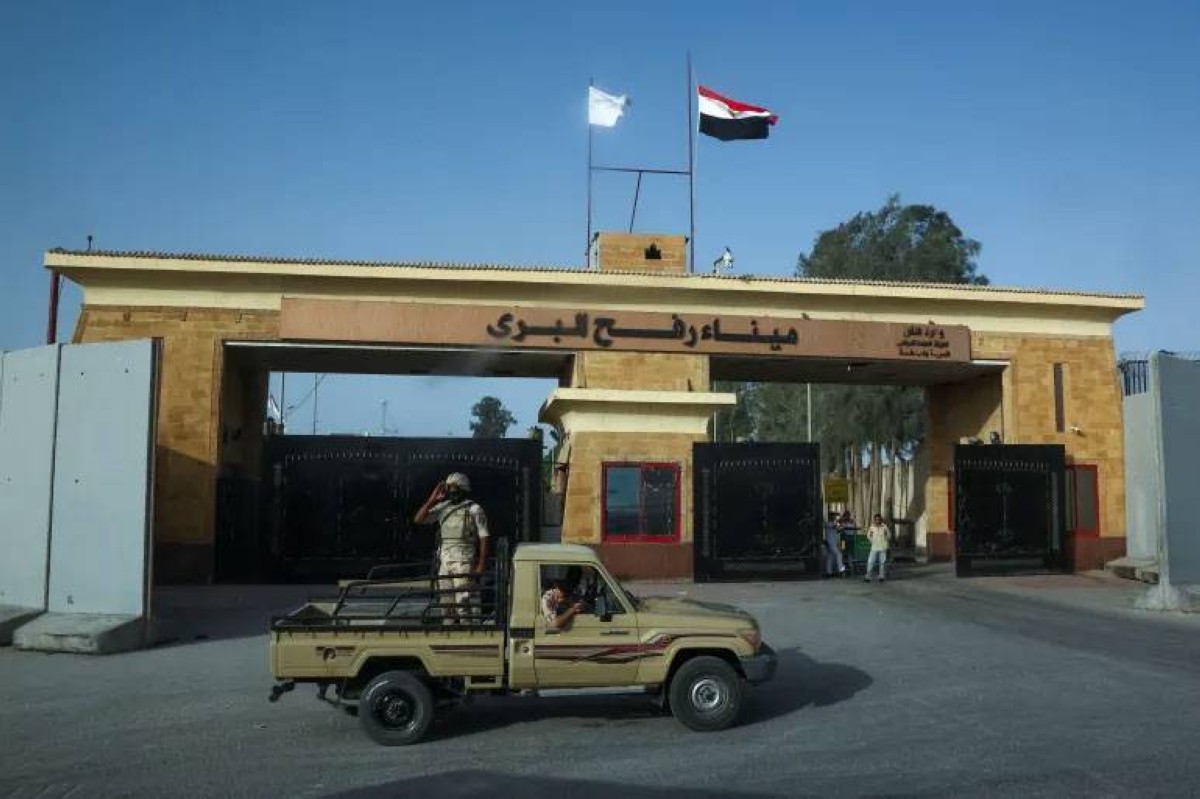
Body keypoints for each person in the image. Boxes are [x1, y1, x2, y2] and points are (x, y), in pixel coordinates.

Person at [414, 472, 490, 622]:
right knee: (446, 604)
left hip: (464, 561)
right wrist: (432, 500)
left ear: (463, 489)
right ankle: (449, 632)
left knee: (462, 604)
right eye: (449, 488)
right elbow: (419, 519)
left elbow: (484, 536)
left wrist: (481, 565)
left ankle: (466, 632)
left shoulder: (474, 509)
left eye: (454, 488)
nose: (451, 492)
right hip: (445, 560)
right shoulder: (444, 507)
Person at [863, 513, 891, 583]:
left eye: (879, 519)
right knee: (870, 562)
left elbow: (889, 536)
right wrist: (872, 541)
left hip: (883, 546)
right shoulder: (872, 527)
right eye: (876, 520)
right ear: (874, 520)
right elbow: (868, 536)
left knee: (882, 562)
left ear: (881, 520)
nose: (878, 521)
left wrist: (886, 535)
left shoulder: (884, 527)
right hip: (874, 547)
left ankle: (881, 576)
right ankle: (868, 577)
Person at [823, 511, 846, 577]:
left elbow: (839, 529)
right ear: (830, 517)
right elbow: (835, 525)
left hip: (833, 543)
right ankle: (841, 570)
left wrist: (841, 525)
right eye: (833, 516)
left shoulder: (833, 524)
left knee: (830, 557)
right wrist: (840, 520)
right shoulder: (828, 524)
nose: (834, 517)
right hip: (831, 543)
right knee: (839, 554)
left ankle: (829, 572)